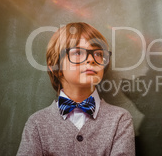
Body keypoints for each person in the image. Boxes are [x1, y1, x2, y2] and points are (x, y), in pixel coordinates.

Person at [17, 22, 135, 155]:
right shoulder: (37, 124)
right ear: (56, 67)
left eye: (97, 53)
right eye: (78, 52)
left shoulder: (119, 119)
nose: (91, 59)